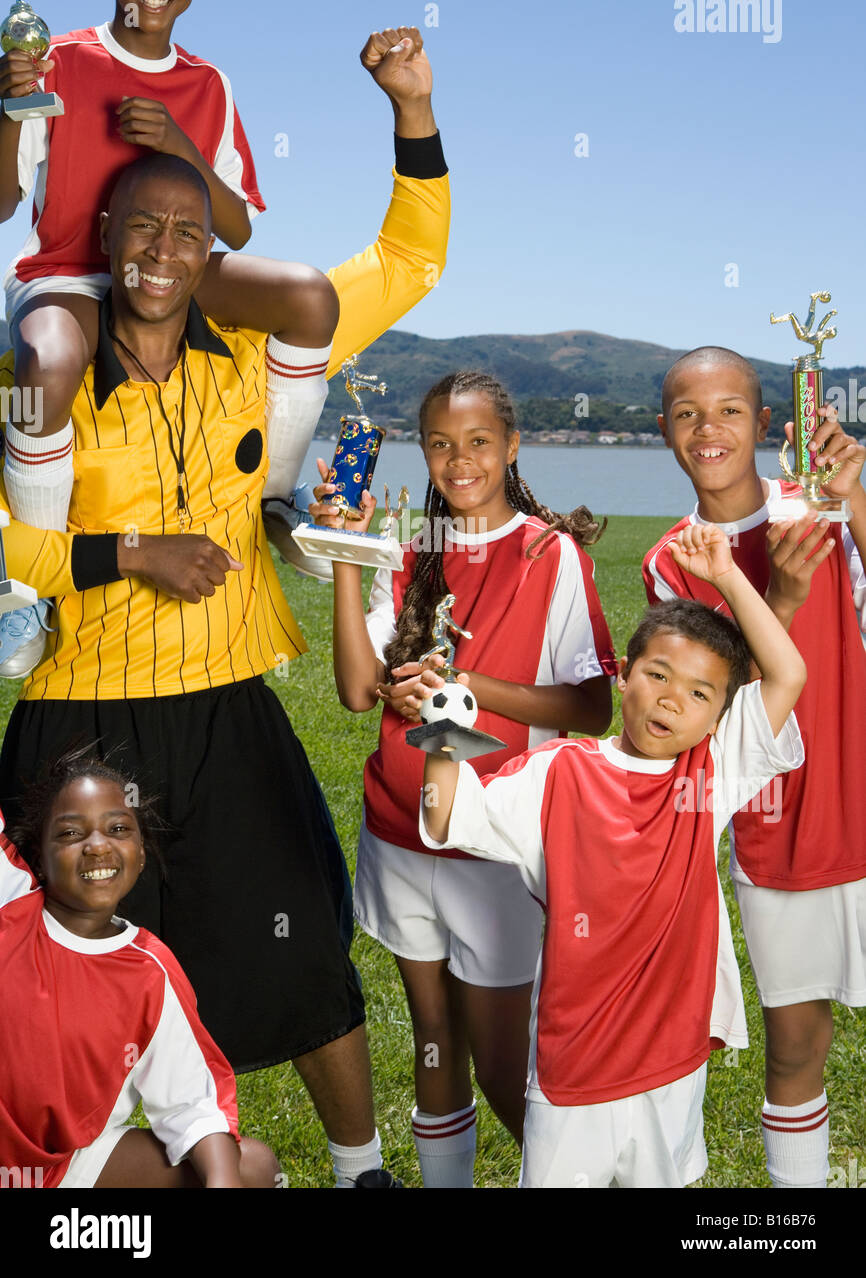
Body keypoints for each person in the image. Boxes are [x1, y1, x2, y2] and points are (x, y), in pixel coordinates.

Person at [0, 60, 449, 1186]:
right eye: (139, 227)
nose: (160, 250)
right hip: (77, 717)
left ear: (214, 253)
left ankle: (361, 1172)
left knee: (299, 946)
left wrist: (411, 115)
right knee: (68, 976)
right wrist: (127, 554)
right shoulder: (39, 376)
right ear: (104, 236)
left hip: (226, 710)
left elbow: (410, 261)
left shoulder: (256, 359)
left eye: (186, 231)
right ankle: (99, 1182)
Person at [0, 0, 340, 673]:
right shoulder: (59, 61)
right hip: (73, 271)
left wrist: (185, 144)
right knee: (48, 365)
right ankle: (31, 589)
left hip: (173, 269)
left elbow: (240, 228)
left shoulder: (208, 85)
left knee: (310, 296)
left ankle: (275, 500)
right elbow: (5, 202)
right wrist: (12, 108)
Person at [420, 523, 807, 1188]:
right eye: (657, 675)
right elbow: (446, 815)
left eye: (698, 693)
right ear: (624, 677)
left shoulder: (714, 771)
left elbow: (788, 671)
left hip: (672, 1061)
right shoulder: (559, 772)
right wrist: (444, 727)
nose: (671, 699)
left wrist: (725, 576)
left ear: (718, 716)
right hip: (574, 1066)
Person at [311, 369, 615, 1186]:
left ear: (512, 447)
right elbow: (352, 689)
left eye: (479, 442)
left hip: (499, 850)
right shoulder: (412, 548)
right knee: (433, 1036)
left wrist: (471, 689)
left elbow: (592, 708)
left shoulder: (551, 557)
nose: (460, 460)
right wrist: (348, 552)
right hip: (401, 835)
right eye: (441, 444)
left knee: (500, 1066)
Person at [642, 346, 866, 1188]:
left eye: (731, 410)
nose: (710, 429)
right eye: (689, 413)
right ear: (665, 430)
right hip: (786, 835)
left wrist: (855, 497)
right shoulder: (674, 562)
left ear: (768, 424)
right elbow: (710, 718)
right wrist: (779, 602)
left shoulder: (821, 509)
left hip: (862, 796)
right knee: (798, 1048)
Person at [0, 750, 280, 1189]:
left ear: (142, 853)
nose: (96, 844)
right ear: (38, 856)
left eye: (117, 829)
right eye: (71, 832)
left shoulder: (149, 971)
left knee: (252, 1167)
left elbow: (191, 1106)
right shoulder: (9, 905)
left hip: (59, 1168)